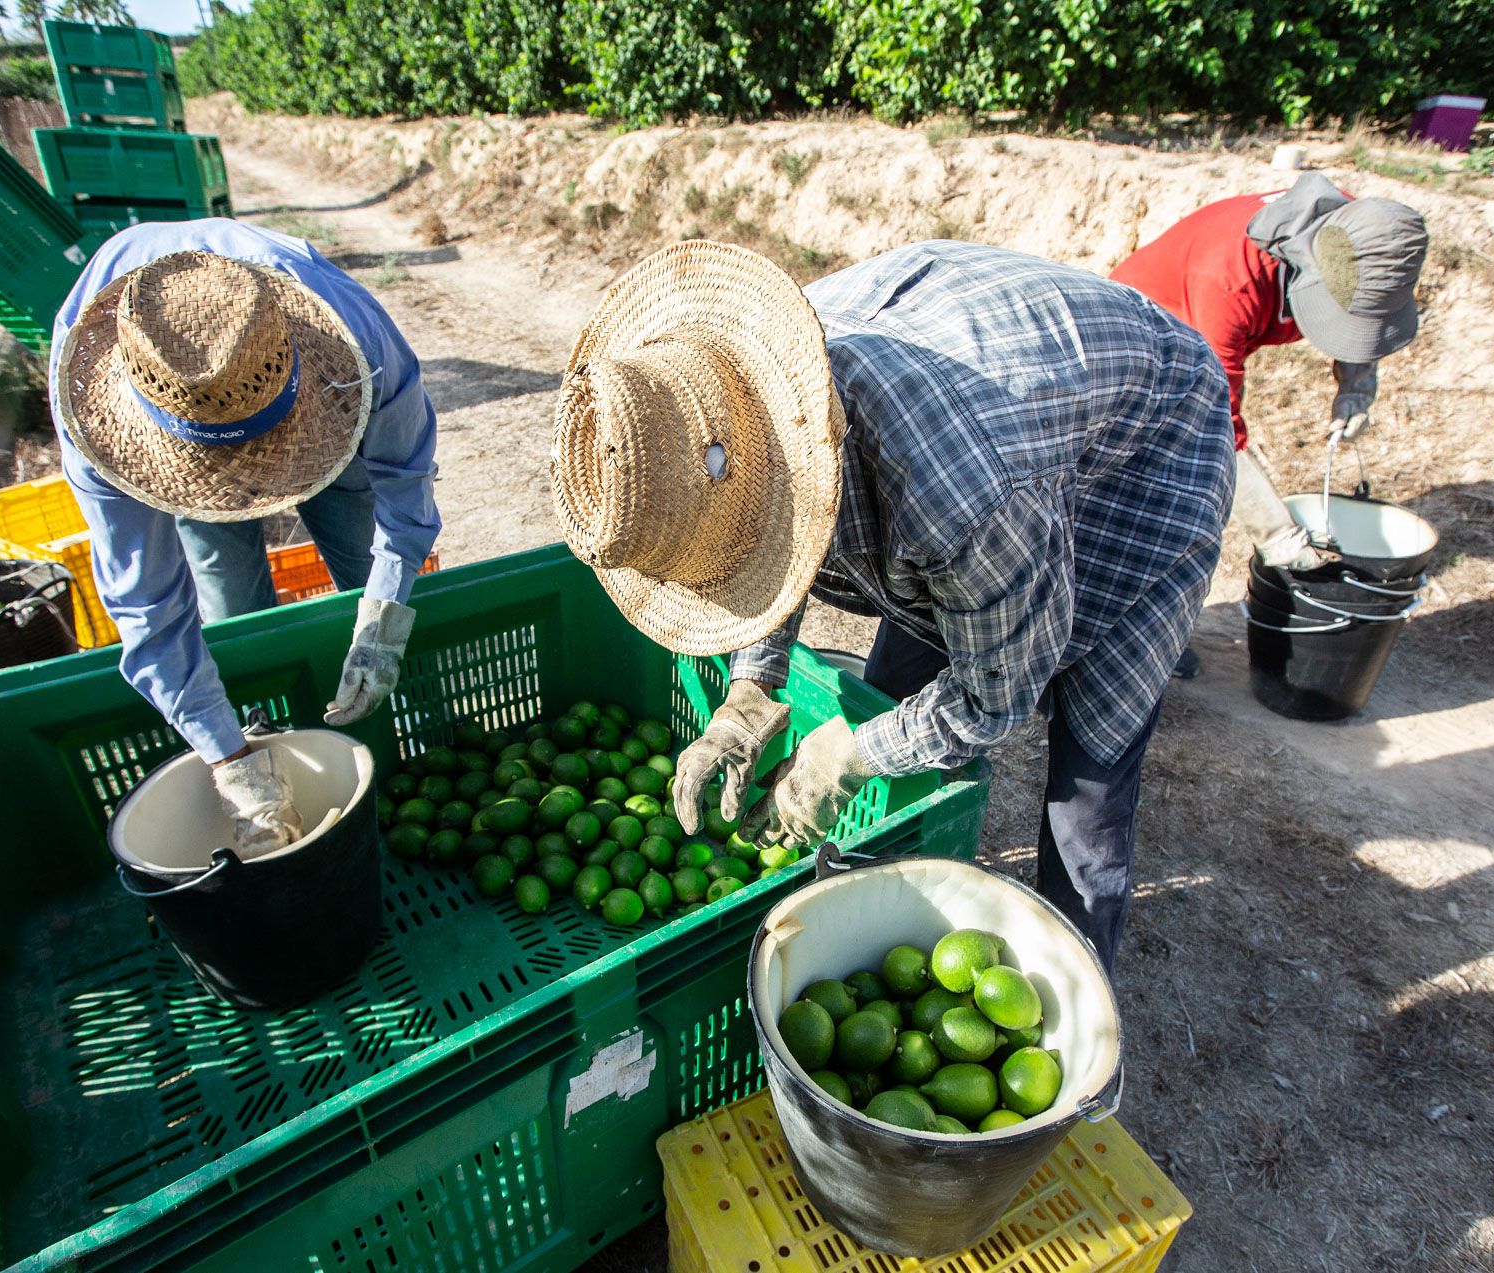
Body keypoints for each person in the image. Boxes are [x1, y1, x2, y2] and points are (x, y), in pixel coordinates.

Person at [549, 239, 1235, 973]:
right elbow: (752, 533)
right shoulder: (748, 393)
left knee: (1087, 790)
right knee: (897, 697)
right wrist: (750, 688)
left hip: (1149, 450)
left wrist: (849, 753)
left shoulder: (962, 498)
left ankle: (1074, 997)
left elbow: (992, 698)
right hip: (996, 432)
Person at [51, 219, 441, 857]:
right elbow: (149, 610)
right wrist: (226, 760)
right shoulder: (96, 425)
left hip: (323, 406)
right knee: (229, 596)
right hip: (174, 433)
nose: (254, 492)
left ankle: (412, 735)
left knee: (357, 551)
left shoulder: (359, 347)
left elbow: (406, 494)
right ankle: (256, 733)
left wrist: (384, 620)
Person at [1111, 173, 1428, 602]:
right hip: (1142, 336)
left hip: (1214, 308)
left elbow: (1366, 301)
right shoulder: (1229, 281)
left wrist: (1356, 386)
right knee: (1160, 487)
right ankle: (1133, 611)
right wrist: (1276, 532)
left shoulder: (1360, 231)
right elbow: (1216, 425)